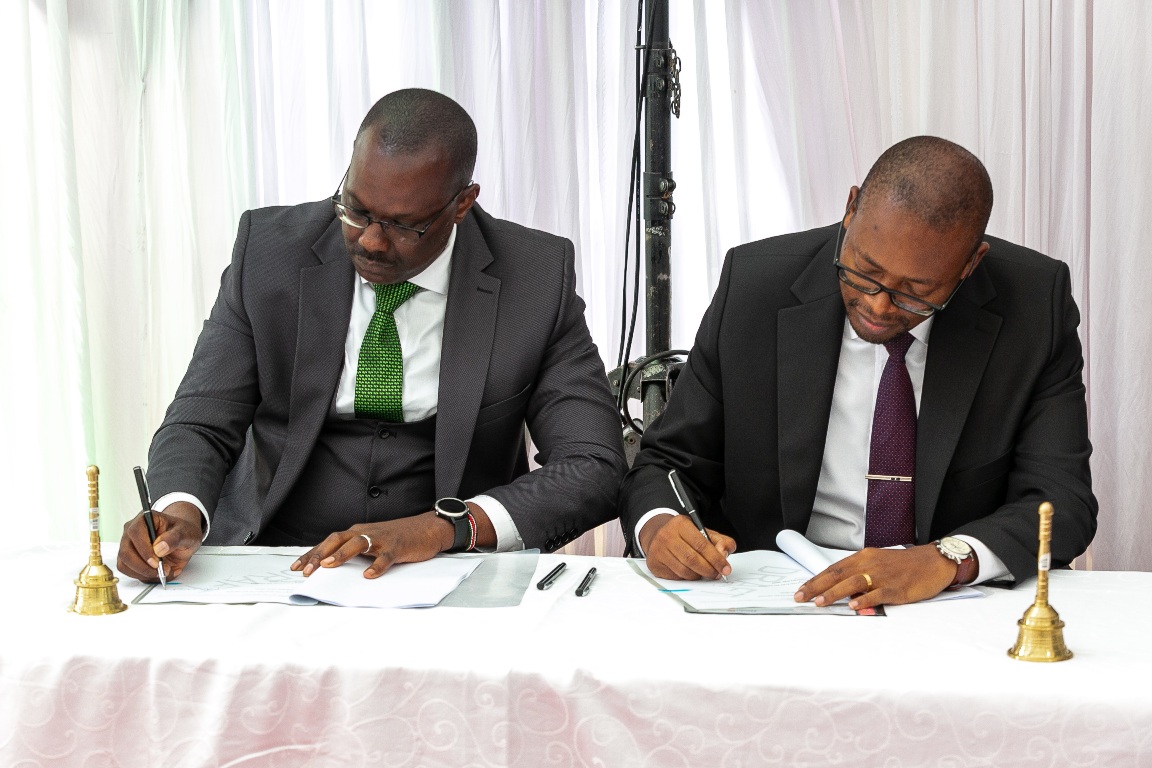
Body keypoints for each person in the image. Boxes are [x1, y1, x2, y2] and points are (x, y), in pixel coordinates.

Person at [118, 88, 626, 582]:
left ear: (462, 203)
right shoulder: (271, 252)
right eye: (356, 210)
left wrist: (448, 528)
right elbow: (202, 420)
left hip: (451, 570)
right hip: (272, 559)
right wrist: (177, 512)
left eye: (405, 226)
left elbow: (594, 463)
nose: (371, 242)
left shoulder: (533, 277)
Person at [618, 136, 1097, 609]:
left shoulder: (1034, 307)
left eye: (916, 292)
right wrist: (659, 524)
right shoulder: (756, 285)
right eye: (864, 272)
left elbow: (1061, 501)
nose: (878, 305)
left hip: (945, 604)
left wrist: (946, 560)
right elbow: (669, 462)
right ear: (850, 210)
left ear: (971, 264)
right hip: (779, 600)